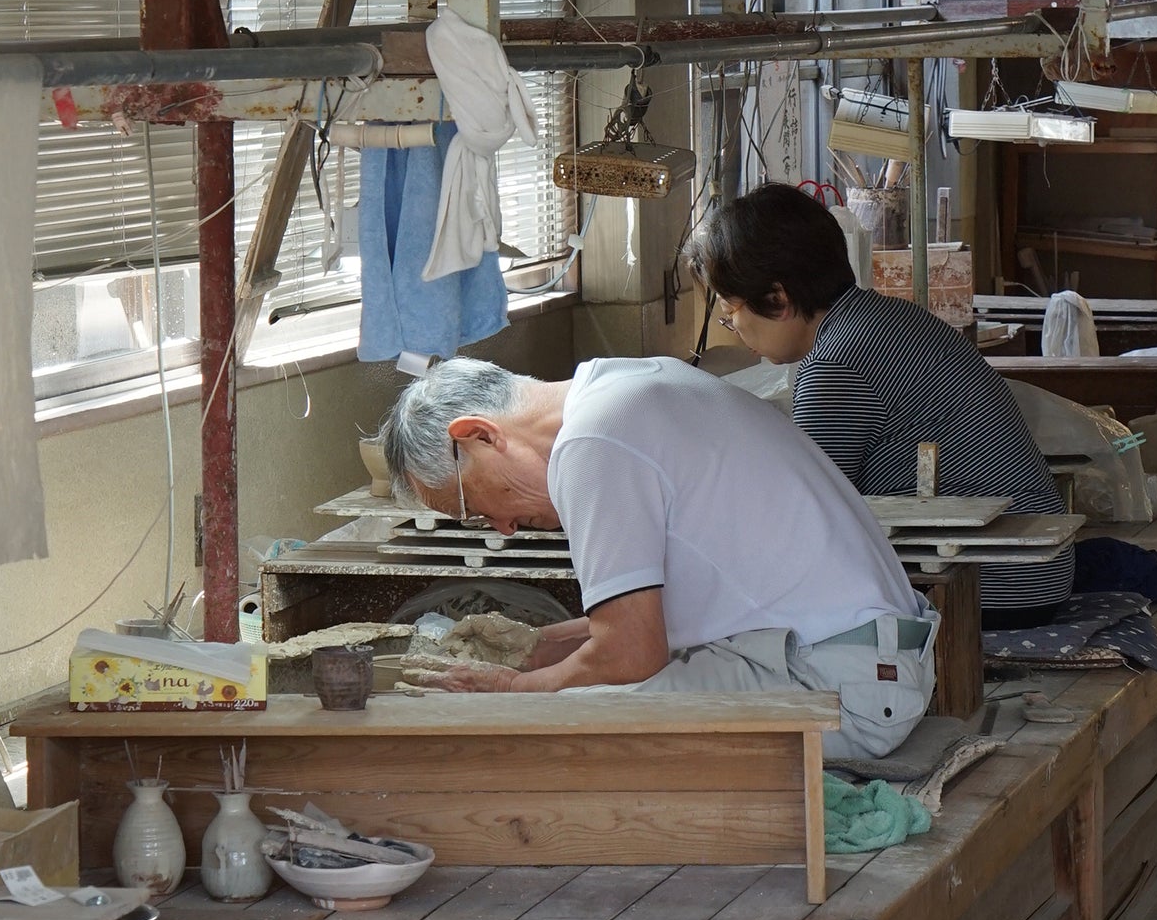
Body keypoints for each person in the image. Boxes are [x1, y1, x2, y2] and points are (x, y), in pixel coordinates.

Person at [374, 354, 937, 759]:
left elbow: (629, 654)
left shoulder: (592, 443)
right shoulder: (621, 386)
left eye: (473, 508)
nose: (503, 528)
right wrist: (538, 646)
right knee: (569, 688)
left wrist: (509, 692)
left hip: (848, 691)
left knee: (559, 725)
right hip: (873, 663)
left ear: (479, 434)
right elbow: (640, 623)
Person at [688, 183, 1073, 625]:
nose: (733, 328)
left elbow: (807, 525)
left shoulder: (834, 366)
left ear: (777, 299)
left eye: (731, 312)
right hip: (1036, 572)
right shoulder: (886, 316)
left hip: (993, 587)